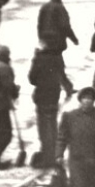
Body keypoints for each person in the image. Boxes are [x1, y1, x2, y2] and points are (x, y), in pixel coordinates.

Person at [28, 37, 64, 168]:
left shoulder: (39, 58)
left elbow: (32, 79)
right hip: (54, 95)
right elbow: (61, 75)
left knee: (43, 128)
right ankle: (54, 155)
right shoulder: (58, 57)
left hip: (42, 96)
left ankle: (47, 157)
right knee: (53, 125)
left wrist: (35, 57)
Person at [37, 0, 78, 97]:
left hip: (46, 42)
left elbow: (39, 25)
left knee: (53, 64)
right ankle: (65, 88)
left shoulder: (45, 7)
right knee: (57, 65)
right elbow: (65, 26)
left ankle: (67, 86)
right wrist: (73, 39)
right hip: (56, 43)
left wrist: (41, 39)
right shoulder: (60, 8)